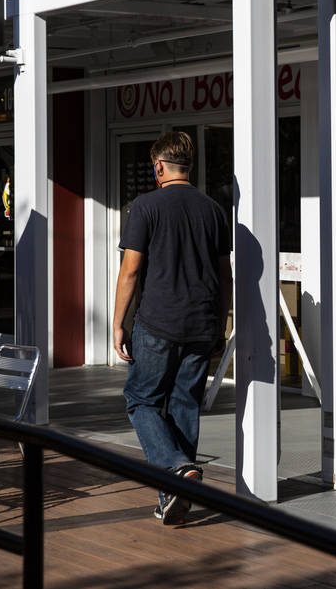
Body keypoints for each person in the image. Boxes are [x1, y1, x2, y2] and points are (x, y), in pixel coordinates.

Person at [113, 131, 232, 524]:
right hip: (202, 325)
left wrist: (118, 324)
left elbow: (130, 271)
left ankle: (178, 471)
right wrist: (221, 322)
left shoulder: (145, 206)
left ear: (159, 166)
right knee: (184, 407)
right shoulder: (213, 210)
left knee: (142, 400)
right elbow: (224, 274)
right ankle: (174, 496)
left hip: (158, 323)